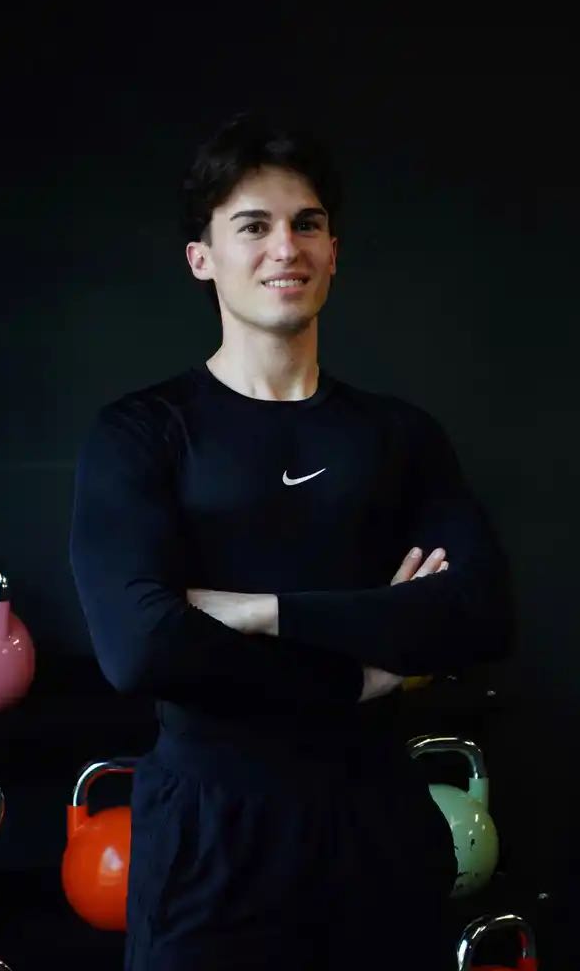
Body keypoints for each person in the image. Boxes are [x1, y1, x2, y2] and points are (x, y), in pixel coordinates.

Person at [69, 112, 515, 970]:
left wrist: (259, 610)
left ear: (333, 252)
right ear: (201, 258)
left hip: (377, 826)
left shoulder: (399, 436)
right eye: (253, 226)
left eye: (306, 224)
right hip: (211, 840)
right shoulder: (142, 433)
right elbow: (140, 646)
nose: (286, 247)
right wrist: (363, 665)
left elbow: (480, 614)